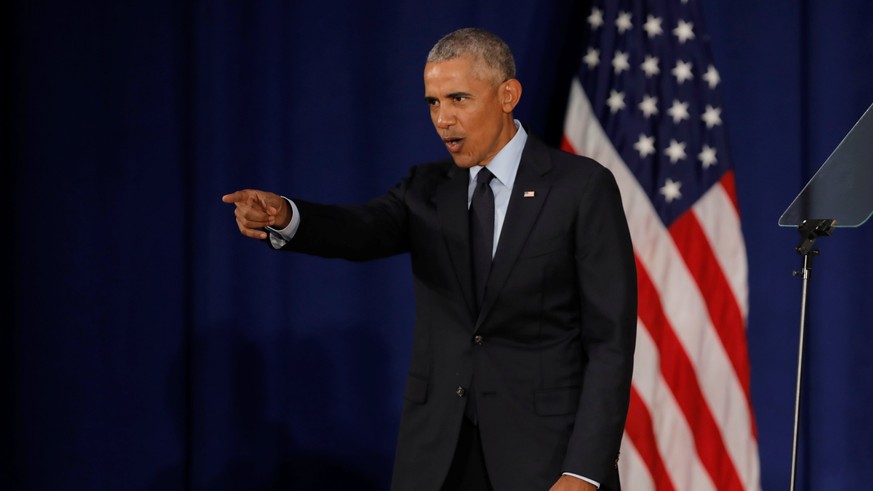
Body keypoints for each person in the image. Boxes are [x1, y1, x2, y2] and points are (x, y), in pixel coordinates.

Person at [223, 28, 637, 491]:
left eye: (458, 99)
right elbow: (360, 230)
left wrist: (583, 471)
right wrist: (287, 215)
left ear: (507, 95)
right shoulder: (426, 189)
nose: (443, 119)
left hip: (544, 458)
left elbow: (610, 343)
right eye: (433, 103)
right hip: (439, 458)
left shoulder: (580, 188)